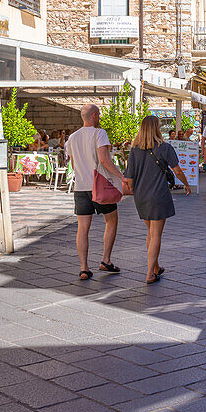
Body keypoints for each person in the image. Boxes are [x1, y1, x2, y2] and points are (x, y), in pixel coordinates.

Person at [123, 116, 191, 284]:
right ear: (156, 129)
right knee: (156, 235)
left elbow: (129, 179)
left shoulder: (134, 150)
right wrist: (186, 184)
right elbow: (177, 170)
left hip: (141, 196)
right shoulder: (164, 147)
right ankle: (149, 273)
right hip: (159, 194)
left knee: (151, 233)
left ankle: (155, 267)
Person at [66, 104, 126, 280]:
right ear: (94, 115)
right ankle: (105, 260)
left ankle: (84, 268)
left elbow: (73, 164)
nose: (99, 117)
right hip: (99, 186)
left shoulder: (72, 138)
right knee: (111, 220)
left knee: (82, 228)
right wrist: (121, 177)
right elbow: (105, 160)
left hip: (81, 187)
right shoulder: (99, 133)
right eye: (98, 114)